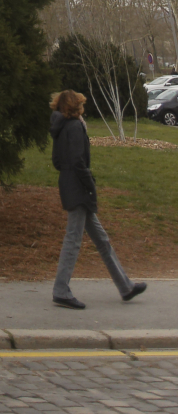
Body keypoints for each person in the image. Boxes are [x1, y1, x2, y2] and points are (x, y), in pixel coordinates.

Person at [50, 89, 147, 309]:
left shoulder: (61, 127)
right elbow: (78, 162)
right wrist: (90, 184)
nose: (84, 107)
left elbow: (57, 161)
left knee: (102, 240)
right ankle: (61, 290)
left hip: (69, 185)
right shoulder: (74, 126)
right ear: (76, 107)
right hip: (78, 189)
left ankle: (125, 286)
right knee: (73, 240)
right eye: (81, 104)